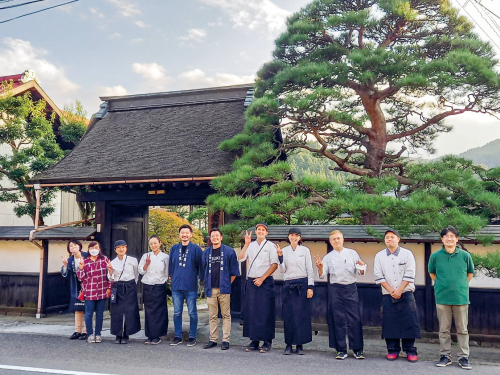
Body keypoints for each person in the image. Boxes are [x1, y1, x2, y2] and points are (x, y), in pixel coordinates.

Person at [314, 229, 366, 360]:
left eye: (338, 238)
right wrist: (320, 267)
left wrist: (362, 266)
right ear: (330, 242)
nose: (336, 241)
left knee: (355, 318)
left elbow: (361, 271)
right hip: (335, 289)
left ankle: (358, 349)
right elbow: (322, 275)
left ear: (343, 239)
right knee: (337, 319)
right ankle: (340, 349)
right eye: (333, 239)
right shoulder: (328, 257)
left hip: (351, 288)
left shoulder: (352, 253)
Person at [429, 226, 474, 370]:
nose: (449, 238)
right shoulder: (435, 256)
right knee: (444, 329)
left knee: (462, 329)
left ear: (457, 239)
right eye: (446, 236)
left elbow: (469, 274)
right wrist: (444, 285)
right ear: (442, 239)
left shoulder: (465, 256)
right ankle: (445, 355)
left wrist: (459, 286)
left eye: (452, 236)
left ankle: (463, 357)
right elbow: (432, 274)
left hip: (461, 298)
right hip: (442, 297)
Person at [374, 229, 420, 362]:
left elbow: (410, 273)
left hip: (406, 292)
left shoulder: (407, 254)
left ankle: (410, 350)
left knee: (409, 322)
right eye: (387, 237)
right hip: (388, 294)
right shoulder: (379, 256)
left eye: (392, 237)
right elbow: (378, 276)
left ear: (398, 239)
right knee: (390, 322)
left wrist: (400, 290)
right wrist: (391, 290)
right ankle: (392, 350)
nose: (389, 239)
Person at [238, 222, 279, 353]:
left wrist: (262, 278)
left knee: (265, 311)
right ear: (255, 232)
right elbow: (240, 258)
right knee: (252, 311)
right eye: (258, 229)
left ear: (266, 233)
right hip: (251, 281)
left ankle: (267, 341)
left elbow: (274, 264)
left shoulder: (271, 246)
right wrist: (246, 243)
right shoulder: (251, 245)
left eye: (263, 230)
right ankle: (254, 340)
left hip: (265, 281)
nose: (260, 231)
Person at [276, 227, 314, 355]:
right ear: (288, 237)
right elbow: (282, 270)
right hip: (289, 285)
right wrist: (280, 258)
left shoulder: (305, 250)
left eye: (296, 235)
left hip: (302, 284)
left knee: (301, 315)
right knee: (289, 315)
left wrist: (310, 287)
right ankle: (288, 344)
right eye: (292, 235)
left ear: (300, 238)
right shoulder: (284, 250)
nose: (294, 237)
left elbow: (310, 269)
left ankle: (300, 344)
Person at [201, 228, 240, 350]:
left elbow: (234, 271)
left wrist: (227, 284)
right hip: (211, 288)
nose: (215, 238)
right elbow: (203, 270)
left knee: (226, 315)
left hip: (224, 288)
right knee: (212, 315)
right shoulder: (206, 252)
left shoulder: (229, 251)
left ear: (221, 237)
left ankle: (225, 340)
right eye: (212, 236)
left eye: (217, 236)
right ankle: (213, 339)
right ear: (210, 239)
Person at [168, 224, 203, 347]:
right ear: (179, 234)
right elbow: (170, 266)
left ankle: (192, 336)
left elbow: (200, 266)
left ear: (191, 234)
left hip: (191, 285)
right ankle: (178, 336)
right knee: (177, 312)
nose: (184, 235)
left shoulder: (196, 249)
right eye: (182, 232)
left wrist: (201, 280)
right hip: (176, 285)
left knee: (192, 312)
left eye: (187, 232)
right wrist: (170, 277)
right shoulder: (174, 248)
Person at [77, 241, 111, 344]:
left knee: (100, 314)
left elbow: (109, 276)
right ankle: (90, 334)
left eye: (96, 247)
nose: (94, 249)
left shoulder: (104, 260)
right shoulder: (85, 261)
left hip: (102, 290)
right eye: (91, 248)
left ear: (99, 249)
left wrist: (109, 288)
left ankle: (98, 334)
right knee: (88, 314)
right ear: (89, 250)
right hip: (90, 292)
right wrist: (81, 268)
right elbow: (80, 278)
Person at [107, 240, 141, 344]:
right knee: (117, 311)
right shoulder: (112, 262)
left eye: (123, 247)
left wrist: (132, 284)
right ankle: (117, 334)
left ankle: (126, 334)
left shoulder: (133, 260)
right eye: (118, 247)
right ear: (115, 250)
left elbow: (136, 274)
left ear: (126, 248)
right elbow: (110, 278)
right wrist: (110, 271)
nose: (121, 249)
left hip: (130, 286)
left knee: (130, 311)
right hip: (117, 286)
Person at [139, 235, 169, 345]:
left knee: (159, 311)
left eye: (155, 243)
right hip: (148, 285)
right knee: (149, 311)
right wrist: (147, 263)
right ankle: (150, 335)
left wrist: (163, 281)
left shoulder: (165, 257)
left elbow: (167, 272)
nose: (153, 245)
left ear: (159, 243)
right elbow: (141, 271)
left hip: (159, 285)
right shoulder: (145, 256)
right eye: (151, 244)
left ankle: (157, 335)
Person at [61, 239, 88, 341]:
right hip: (76, 286)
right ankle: (77, 330)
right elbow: (65, 274)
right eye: (71, 246)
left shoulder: (86, 256)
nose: (73, 248)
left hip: (88, 285)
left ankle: (86, 331)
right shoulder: (70, 260)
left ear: (80, 247)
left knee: (87, 309)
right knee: (77, 308)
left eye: (75, 245)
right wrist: (65, 265)